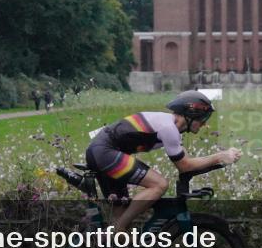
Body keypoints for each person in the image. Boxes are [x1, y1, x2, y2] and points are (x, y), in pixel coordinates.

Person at [85, 90, 241, 231]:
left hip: (101, 152)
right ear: (190, 114)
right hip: (105, 152)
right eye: (202, 119)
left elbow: (187, 161)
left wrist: (218, 159)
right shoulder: (168, 128)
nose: (204, 124)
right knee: (159, 184)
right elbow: (185, 166)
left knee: (121, 219)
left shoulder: (170, 126)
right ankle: (116, 229)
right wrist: (219, 156)